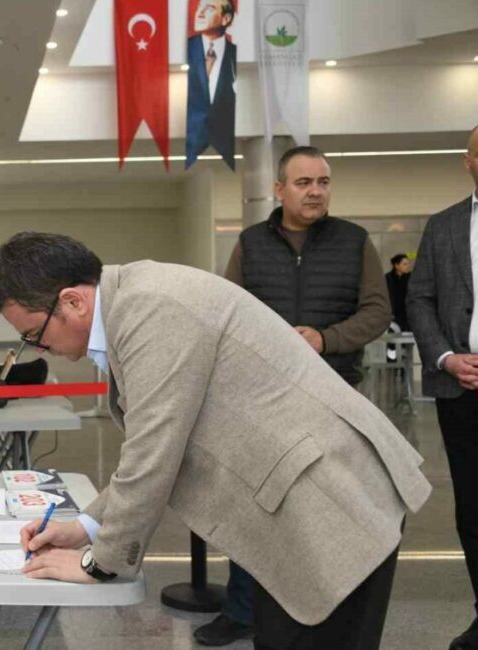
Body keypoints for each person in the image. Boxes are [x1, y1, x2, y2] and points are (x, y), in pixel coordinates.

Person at [0, 232, 430, 650]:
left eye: (34, 335)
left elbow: (152, 453)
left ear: (73, 301)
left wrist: (98, 562)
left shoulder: (150, 309)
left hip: (333, 502)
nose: (38, 348)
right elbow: (162, 446)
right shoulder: (135, 302)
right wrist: (83, 528)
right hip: (302, 505)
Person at [207, 145, 392, 645]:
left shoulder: (355, 242)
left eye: (323, 182)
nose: (315, 192)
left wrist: (325, 339)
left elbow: (377, 311)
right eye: (304, 182)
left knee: (324, 513)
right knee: (256, 510)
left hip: (335, 400)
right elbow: (229, 311)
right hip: (263, 403)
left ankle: (315, 612)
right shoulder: (250, 243)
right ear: (279, 189)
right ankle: (242, 611)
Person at [408, 125, 478, 650]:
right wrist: (446, 358)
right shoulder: (443, 226)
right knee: (472, 510)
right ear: (468, 161)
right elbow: (420, 299)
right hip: (461, 391)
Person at [186, 0, 237, 168]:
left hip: (223, 132)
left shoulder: (234, 54)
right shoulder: (186, 50)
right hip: (194, 134)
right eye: (199, 8)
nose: (199, 13)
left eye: (208, 9)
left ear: (226, 18)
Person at [386, 253, 411, 332]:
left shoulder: (411, 278)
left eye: (408, 264)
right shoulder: (388, 278)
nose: (407, 266)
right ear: (396, 265)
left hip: (407, 315)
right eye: (404, 264)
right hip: (393, 315)